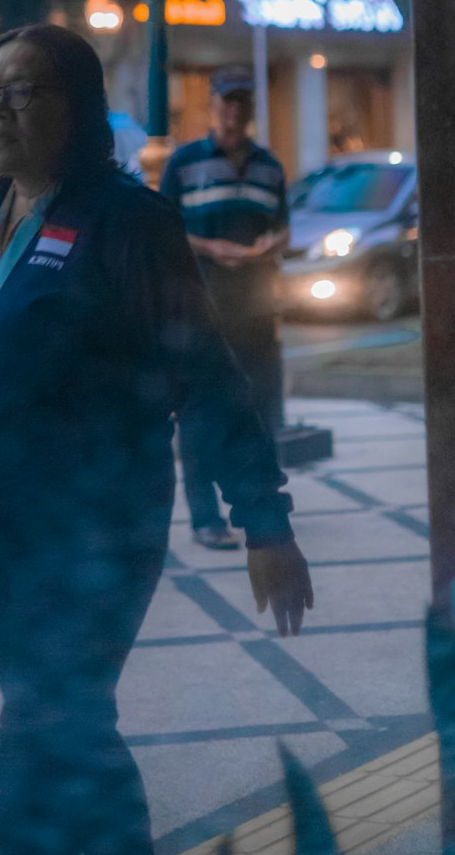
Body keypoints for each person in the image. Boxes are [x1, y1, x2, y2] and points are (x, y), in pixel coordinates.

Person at [0, 25, 312, 855]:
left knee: (54, 716)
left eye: (21, 93)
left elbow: (207, 376)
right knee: (44, 712)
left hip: (98, 526)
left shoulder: (129, 222)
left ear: (77, 109)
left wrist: (264, 521)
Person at [160, 69, 289, 550]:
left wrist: (272, 242)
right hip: (200, 311)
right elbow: (164, 232)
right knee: (198, 417)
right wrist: (213, 248)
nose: (235, 111)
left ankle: (260, 508)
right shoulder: (184, 163)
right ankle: (204, 517)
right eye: (227, 102)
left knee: (260, 412)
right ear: (212, 107)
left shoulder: (270, 166)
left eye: (243, 103)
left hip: (256, 310)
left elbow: (283, 227)